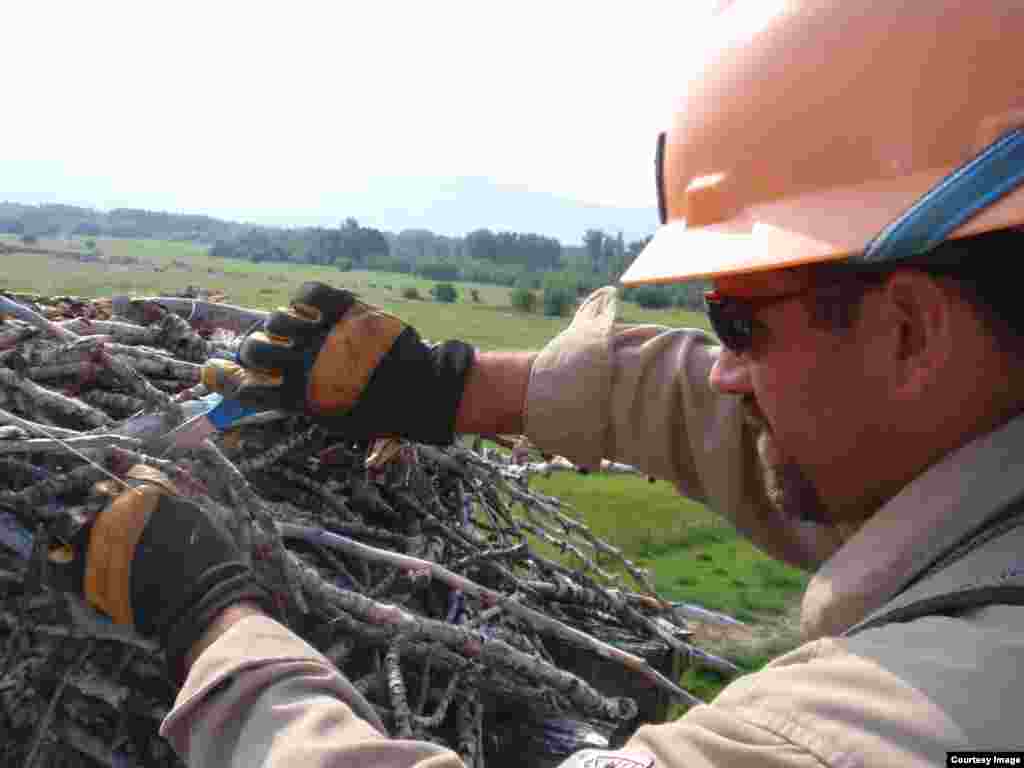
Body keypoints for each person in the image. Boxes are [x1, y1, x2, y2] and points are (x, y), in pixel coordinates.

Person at [68, 2, 1024, 766]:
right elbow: (792, 419)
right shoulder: (972, 459)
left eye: (740, 325)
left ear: (908, 331)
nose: (726, 371)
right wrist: (450, 387)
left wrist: (218, 628)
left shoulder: (914, 723)